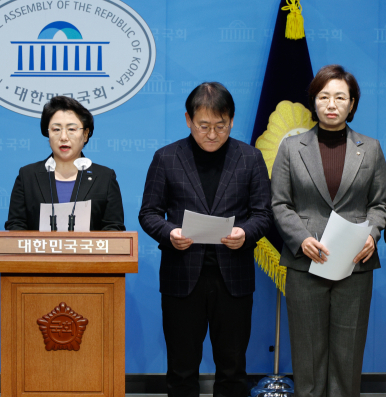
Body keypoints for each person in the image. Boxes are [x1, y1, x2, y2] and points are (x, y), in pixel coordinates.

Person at [139, 82, 272, 397]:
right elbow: (149, 213)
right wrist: (170, 233)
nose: (212, 134)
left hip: (233, 278)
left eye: (220, 126)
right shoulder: (167, 157)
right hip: (182, 277)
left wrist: (245, 233)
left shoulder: (250, 158)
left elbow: (263, 215)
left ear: (231, 121)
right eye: (203, 126)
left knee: (233, 370)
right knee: (182, 370)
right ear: (188, 119)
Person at [271, 64, 386, 397]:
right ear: (313, 101)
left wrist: (373, 234)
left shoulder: (372, 149)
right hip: (306, 262)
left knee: (347, 356)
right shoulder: (292, 149)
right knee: (307, 356)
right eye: (324, 96)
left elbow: (380, 204)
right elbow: (279, 203)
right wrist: (301, 238)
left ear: (352, 104)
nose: (331, 104)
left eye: (340, 97)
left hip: (355, 263)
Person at [5, 95, 125, 231]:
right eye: (56, 129)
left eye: (72, 129)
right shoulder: (28, 176)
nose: (63, 137)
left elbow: (114, 228)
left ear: (85, 134)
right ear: (48, 134)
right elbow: (16, 225)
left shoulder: (104, 177)